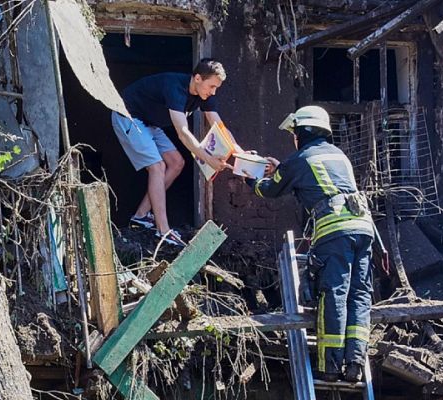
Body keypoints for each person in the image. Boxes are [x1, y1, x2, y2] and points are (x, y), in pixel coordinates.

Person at [248, 105, 375, 383]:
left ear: (303, 132)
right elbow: (317, 178)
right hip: (364, 228)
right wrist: (281, 168)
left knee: (334, 293)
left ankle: (330, 365)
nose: (293, 138)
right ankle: (355, 362)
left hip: (335, 232)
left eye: (294, 133)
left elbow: (270, 189)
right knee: (359, 294)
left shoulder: (300, 159)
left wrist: (251, 176)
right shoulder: (338, 155)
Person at [111, 59, 232, 246]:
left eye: (216, 87)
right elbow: (183, 133)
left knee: (176, 163)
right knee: (157, 166)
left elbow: (220, 126)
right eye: (211, 86)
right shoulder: (175, 88)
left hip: (150, 123)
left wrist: (240, 152)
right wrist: (208, 159)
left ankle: (141, 215)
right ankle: (164, 230)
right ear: (198, 78)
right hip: (128, 116)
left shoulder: (206, 95)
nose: (213, 92)